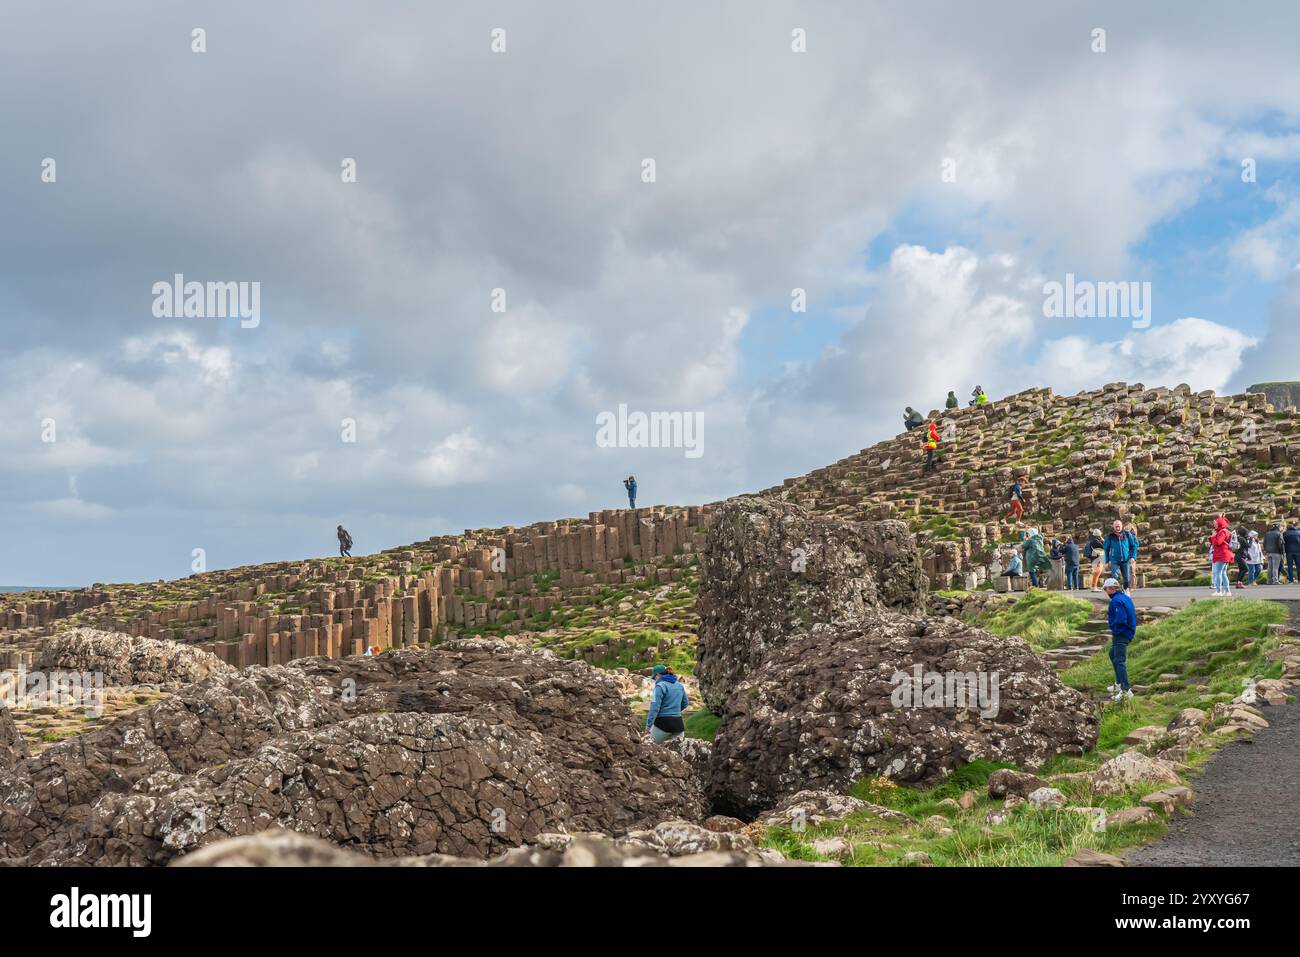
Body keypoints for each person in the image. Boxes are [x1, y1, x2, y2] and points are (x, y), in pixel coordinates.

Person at [1105, 577, 1136, 701]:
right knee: (1112, 654)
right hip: (1127, 631)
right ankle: (1118, 684)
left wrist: (1115, 630)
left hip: (1122, 633)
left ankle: (1125, 690)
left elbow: (1121, 620)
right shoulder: (1125, 597)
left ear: (1112, 589)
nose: (1106, 591)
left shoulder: (1116, 601)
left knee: (1119, 661)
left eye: (1106, 589)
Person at [644, 664, 688, 743]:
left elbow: (654, 708)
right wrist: (675, 711)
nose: (655, 680)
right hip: (679, 725)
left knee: (649, 746)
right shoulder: (679, 685)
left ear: (657, 675)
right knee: (676, 754)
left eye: (654, 678)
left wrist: (648, 727)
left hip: (662, 725)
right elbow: (685, 703)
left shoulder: (660, 686)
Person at [1103, 519, 1133, 591]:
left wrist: (1132, 557)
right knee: (1115, 577)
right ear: (1113, 527)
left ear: (1122, 526)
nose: (1117, 528)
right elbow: (1106, 549)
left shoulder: (1127, 535)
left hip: (1125, 560)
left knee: (1127, 579)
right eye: (1116, 526)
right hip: (1115, 560)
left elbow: (1133, 546)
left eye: (1119, 526)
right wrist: (1107, 561)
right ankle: (1117, 592)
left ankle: (1126, 590)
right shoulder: (1110, 536)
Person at [1209, 516, 1234, 597]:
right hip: (1224, 554)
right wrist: (1213, 536)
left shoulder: (1222, 532)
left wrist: (1213, 536)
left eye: (1216, 524)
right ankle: (1227, 591)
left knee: (1218, 573)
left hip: (1222, 555)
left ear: (1220, 524)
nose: (1214, 525)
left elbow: (1218, 542)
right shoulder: (1223, 531)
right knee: (1223, 573)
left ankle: (1219, 591)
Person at [1264, 521, 1285, 585]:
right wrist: (1282, 553)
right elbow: (1280, 544)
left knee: (1269, 568)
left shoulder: (1267, 533)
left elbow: (1264, 544)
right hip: (1276, 553)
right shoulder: (1279, 534)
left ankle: (1269, 581)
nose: (1282, 528)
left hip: (1268, 552)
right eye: (1281, 526)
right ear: (1278, 526)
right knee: (1275, 567)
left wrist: (1266, 551)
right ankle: (1275, 581)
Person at [1125, 523, 1141, 590]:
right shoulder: (1124, 535)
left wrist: (1133, 557)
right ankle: (1128, 585)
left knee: (1132, 570)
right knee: (1127, 571)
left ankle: (1133, 585)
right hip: (1125, 556)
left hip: (1131, 556)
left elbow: (1135, 546)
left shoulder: (1133, 537)